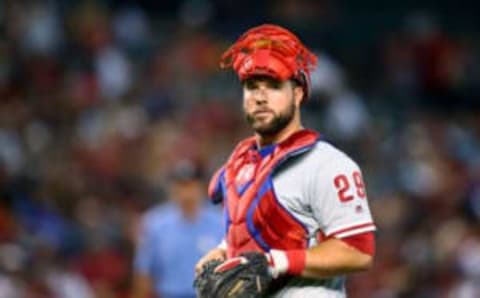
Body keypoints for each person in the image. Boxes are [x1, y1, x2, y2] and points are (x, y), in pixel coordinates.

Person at [195, 24, 376, 297]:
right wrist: (222, 252)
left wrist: (277, 262)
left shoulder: (327, 164)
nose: (261, 97)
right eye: (252, 87)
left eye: (274, 86)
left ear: (298, 93)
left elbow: (358, 251)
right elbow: (254, 232)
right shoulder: (241, 163)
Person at [132, 159, 224, 298]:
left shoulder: (220, 222)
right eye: (181, 186)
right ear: (172, 188)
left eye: (191, 185)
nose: (186, 192)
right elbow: (144, 272)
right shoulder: (155, 223)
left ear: (201, 186)